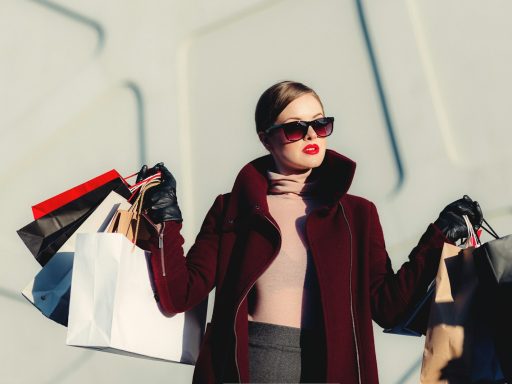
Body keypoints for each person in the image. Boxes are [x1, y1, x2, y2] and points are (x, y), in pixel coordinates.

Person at [137, 80, 483, 383]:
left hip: (333, 369)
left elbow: (388, 307)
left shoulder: (357, 214)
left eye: (320, 124)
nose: (310, 135)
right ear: (266, 139)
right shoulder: (234, 209)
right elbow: (179, 294)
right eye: (294, 128)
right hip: (251, 367)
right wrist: (166, 218)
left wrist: (439, 236)